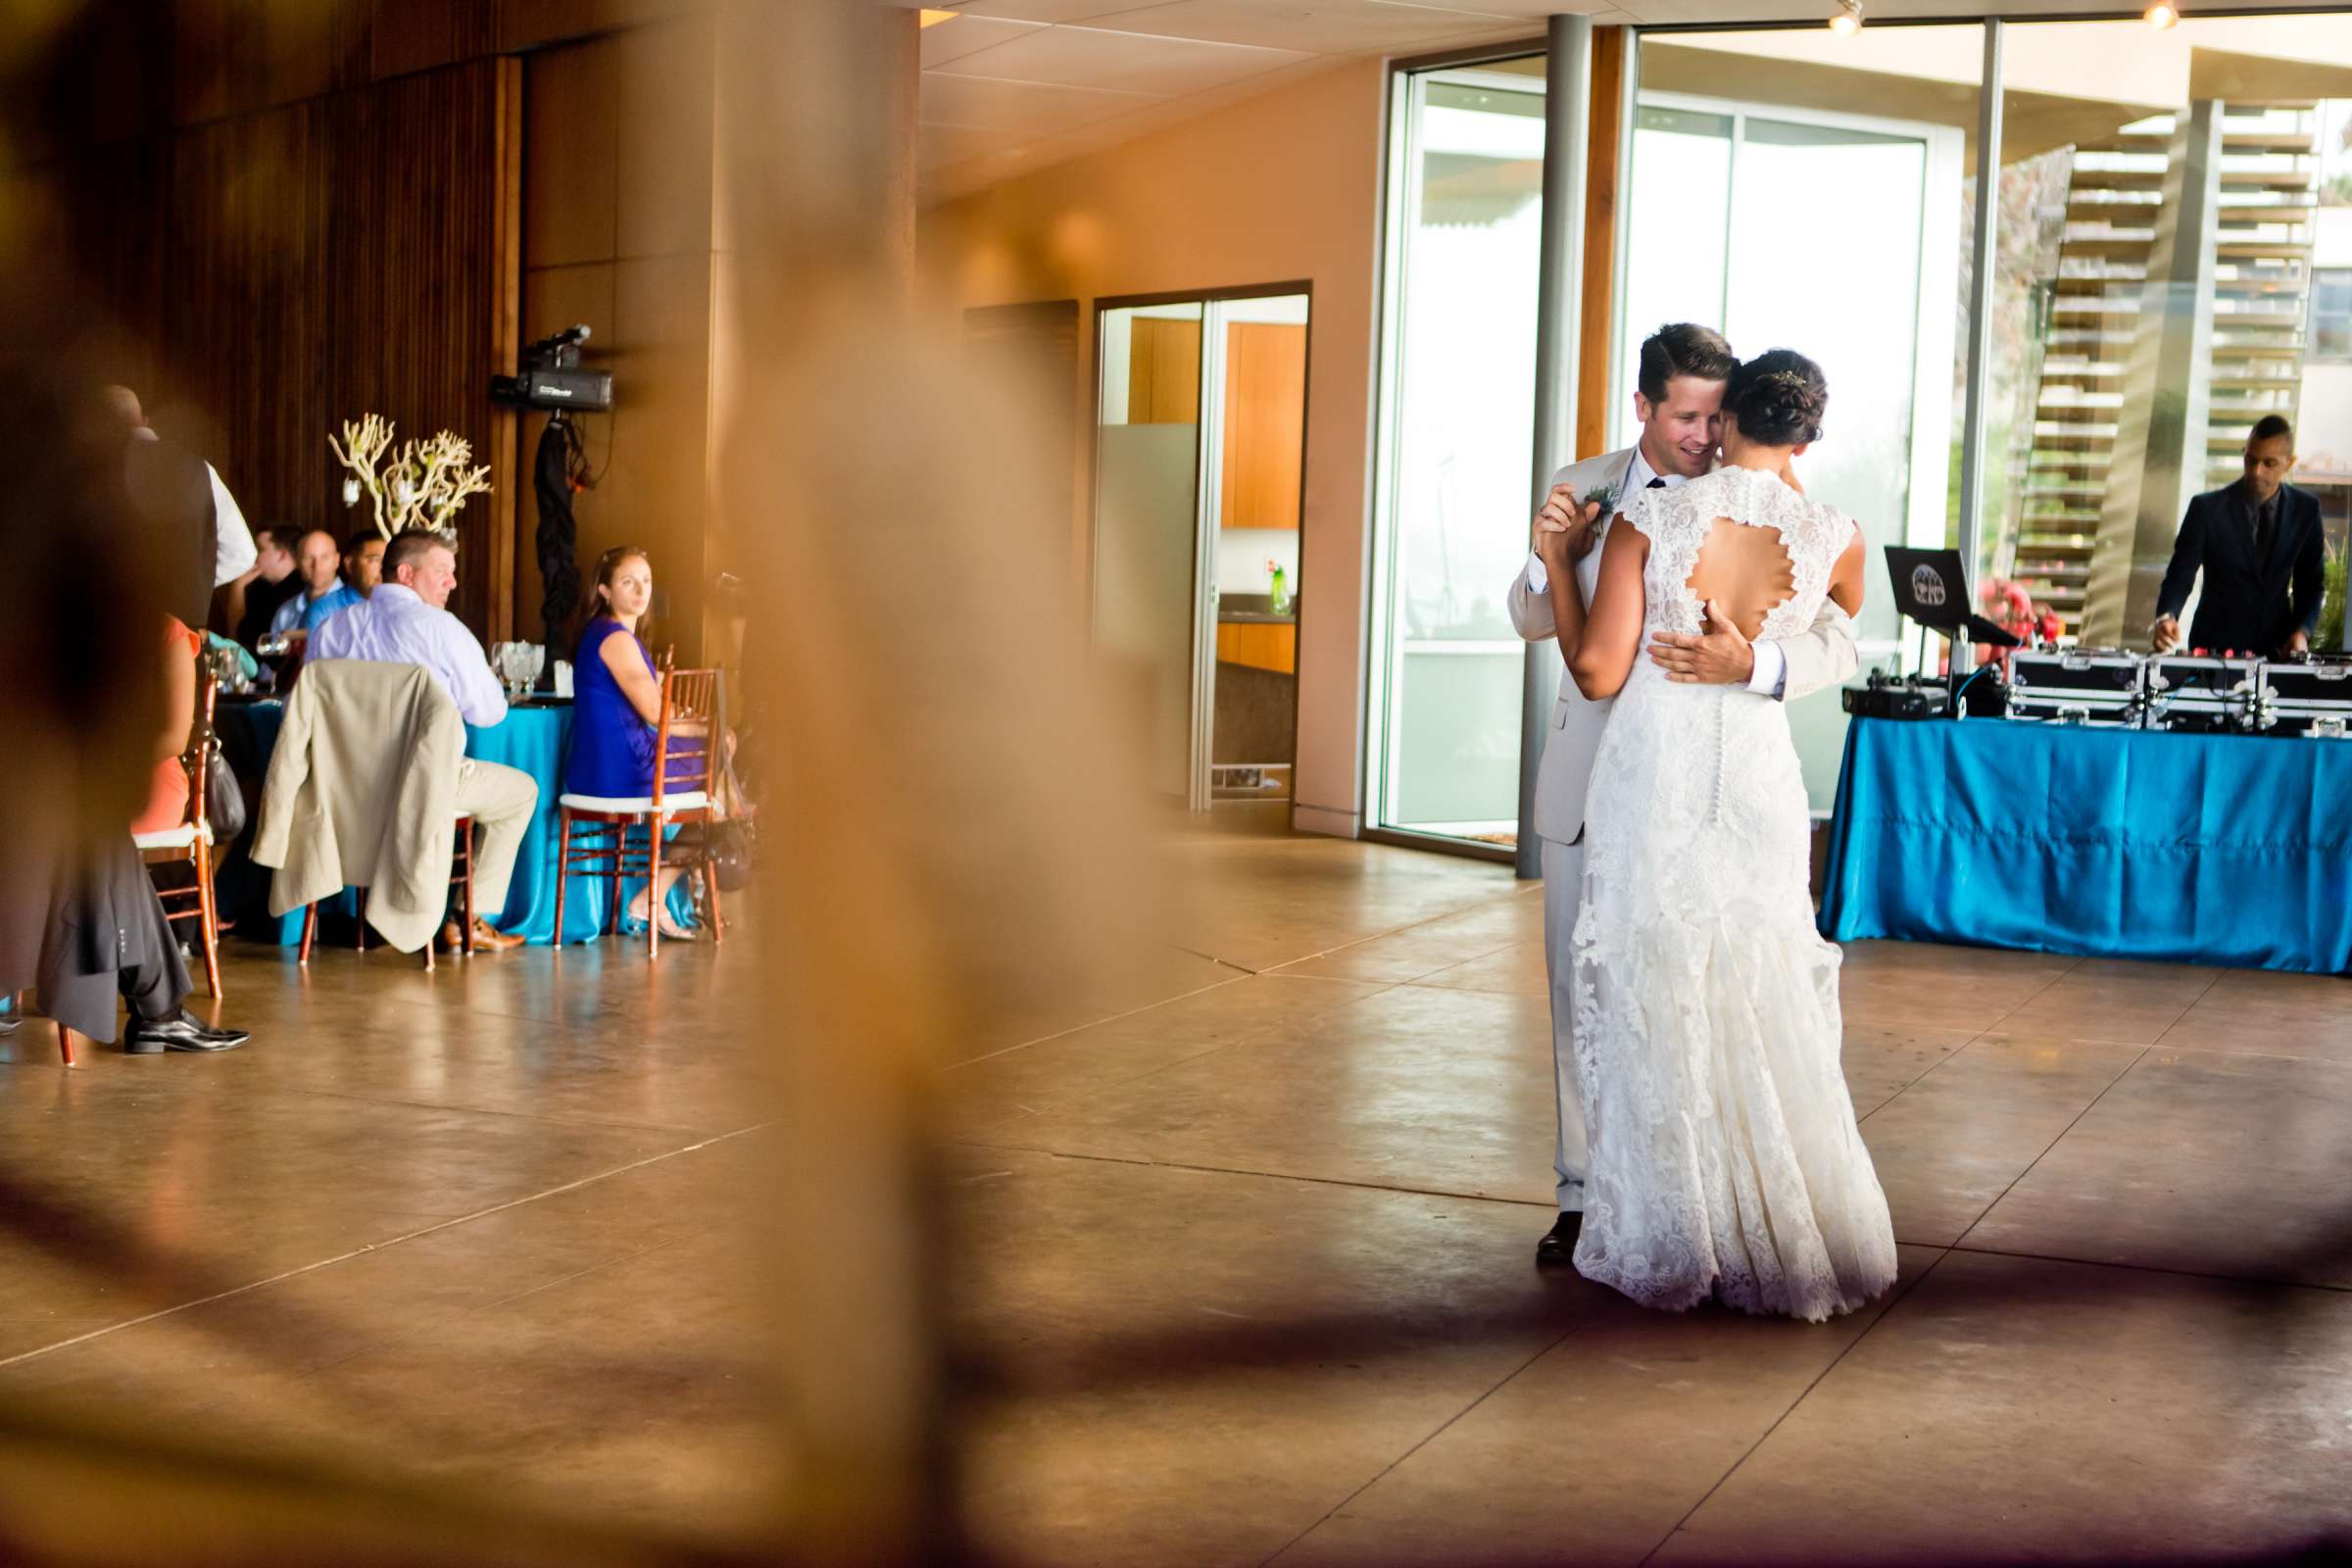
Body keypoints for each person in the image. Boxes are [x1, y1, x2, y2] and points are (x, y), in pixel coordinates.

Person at [1540, 349, 1894, 1320]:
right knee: (1762, 973)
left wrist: (1567, 578)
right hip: (1754, 769)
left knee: (1656, 979)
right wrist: (1759, 659)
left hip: (1655, 762)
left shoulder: (1652, 517)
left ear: (1727, 417)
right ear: (1811, 437)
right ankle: (1780, 1223)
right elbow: (1843, 620)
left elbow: (1600, 672)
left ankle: (1671, 1225)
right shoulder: (1835, 532)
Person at [311, 530, 535, 952]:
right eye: (443, 572)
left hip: (342, 788)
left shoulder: (330, 628)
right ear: (407, 573)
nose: (452, 583)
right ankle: (469, 917)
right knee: (522, 792)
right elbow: (489, 713)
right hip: (421, 787)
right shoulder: (440, 629)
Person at [567, 547, 699, 940]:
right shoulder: (615, 638)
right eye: (628, 581)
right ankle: (652, 898)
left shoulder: (614, 633)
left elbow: (660, 703)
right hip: (621, 771)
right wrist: (712, 728)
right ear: (605, 590)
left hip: (605, 766)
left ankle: (657, 897)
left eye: (647, 580)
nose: (641, 590)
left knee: (721, 788)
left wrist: (688, 717)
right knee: (721, 783)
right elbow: (655, 713)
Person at [2151, 416, 2326, 656]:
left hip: (2277, 649)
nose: (2256, 471)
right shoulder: (2206, 509)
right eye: (2250, 459)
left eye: (2269, 463)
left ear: (2290, 462)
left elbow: (2311, 585)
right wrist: (2167, 616)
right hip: (2213, 649)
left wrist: (2302, 632)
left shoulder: (2306, 510)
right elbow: (2180, 574)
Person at [270, 525, 347, 636]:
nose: (316, 566)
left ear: (337, 560)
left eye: (324, 557)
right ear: (297, 562)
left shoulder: (357, 606)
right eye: (308, 558)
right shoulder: (285, 611)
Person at [232, 526, 302, 648]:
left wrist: (237, 588)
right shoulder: (261, 587)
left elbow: (241, 643)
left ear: (282, 555)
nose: (253, 556)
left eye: (259, 549)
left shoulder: (295, 591)